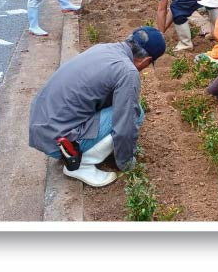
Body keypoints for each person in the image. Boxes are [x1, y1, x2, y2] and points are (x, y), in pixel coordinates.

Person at [29, 26, 166, 187]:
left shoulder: (103, 48)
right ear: (146, 60)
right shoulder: (127, 71)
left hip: (42, 127)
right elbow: (124, 126)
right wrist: (127, 164)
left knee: (122, 106)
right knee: (136, 113)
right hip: (59, 141)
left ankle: (88, 149)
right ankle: (79, 164)